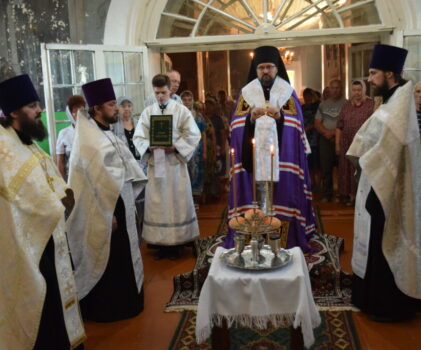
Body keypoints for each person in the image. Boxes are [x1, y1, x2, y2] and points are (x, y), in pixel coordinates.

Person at [0, 74, 85, 349]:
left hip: (50, 236)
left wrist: (65, 195)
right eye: (32, 105)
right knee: (43, 301)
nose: (40, 111)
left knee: (57, 298)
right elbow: (20, 198)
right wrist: (54, 205)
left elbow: (49, 180)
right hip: (27, 245)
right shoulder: (4, 147)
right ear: (13, 111)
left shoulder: (27, 141)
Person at [347, 44, 421, 322]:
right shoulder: (392, 101)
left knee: (384, 240)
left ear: (390, 73)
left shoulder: (399, 107)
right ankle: (370, 297)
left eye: (373, 73)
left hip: (386, 188)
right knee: (375, 240)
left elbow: (389, 148)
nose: (368, 79)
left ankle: (386, 304)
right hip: (377, 182)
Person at [66, 78, 148, 322]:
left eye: (116, 104)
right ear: (97, 108)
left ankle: (129, 300)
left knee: (124, 254)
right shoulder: (89, 140)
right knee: (109, 257)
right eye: (111, 104)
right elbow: (93, 184)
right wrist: (107, 213)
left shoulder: (107, 133)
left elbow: (123, 165)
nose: (117, 109)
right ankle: (111, 307)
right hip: (105, 210)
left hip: (121, 203)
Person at [226, 46, 315, 252]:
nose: (265, 72)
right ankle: (251, 239)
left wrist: (280, 118)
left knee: (282, 198)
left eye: (269, 67)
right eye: (261, 68)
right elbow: (236, 126)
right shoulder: (246, 93)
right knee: (254, 200)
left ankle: (282, 239)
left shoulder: (288, 92)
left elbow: (296, 125)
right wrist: (250, 118)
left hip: (282, 161)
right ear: (256, 70)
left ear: (277, 68)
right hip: (253, 162)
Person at [134, 74, 201, 260]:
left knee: (177, 202)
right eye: (157, 93)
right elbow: (138, 137)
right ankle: (159, 243)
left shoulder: (181, 110)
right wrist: (149, 145)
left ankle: (180, 241)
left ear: (169, 90)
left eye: (163, 92)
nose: (160, 97)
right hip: (157, 165)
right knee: (158, 203)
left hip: (175, 166)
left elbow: (193, 135)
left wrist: (176, 147)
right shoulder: (148, 112)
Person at [335, 81, 374, 206]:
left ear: (364, 90)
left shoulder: (371, 105)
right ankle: (349, 195)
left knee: (360, 169)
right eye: (354, 90)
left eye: (359, 90)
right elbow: (339, 126)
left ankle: (361, 197)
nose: (357, 93)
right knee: (346, 170)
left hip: (364, 146)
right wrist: (337, 144)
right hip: (347, 144)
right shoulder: (346, 106)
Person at [315, 79, 347, 202]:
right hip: (325, 140)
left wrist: (335, 133)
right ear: (329, 89)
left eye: (337, 88)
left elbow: (348, 123)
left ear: (341, 89)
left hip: (342, 139)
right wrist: (326, 132)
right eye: (332, 88)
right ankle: (327, 194)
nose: (335, 90)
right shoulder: (323, 104)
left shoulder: (347, 104)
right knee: (326, 167)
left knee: (342, 168)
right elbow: (317, 122)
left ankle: (343, 194)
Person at [181, 90, 207, 204]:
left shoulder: (199, 116)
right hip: (183, 150)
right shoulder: (179, 115)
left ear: (193, 101)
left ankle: (195, 199)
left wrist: (205, 151)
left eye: (189, 100)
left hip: (197, 149)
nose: (187, 102)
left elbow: (203, 134)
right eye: (184, 100)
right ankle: (186, 200)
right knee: (184, 173)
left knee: (196, 172)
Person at [56, 95, 86, 180]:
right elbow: (60, 162)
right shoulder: (63, 133)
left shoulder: (91, 130)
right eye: (75, 111)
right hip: (72, 178)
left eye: (81, 110)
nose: (79, 114)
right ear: (69, 114)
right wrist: (63, 186)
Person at [301, 87, 320, 190]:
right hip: (305, 138)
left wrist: (310, 127)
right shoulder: (302, 107)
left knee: (317, 163)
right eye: (305, 96)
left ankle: (318, 183)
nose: (307, 98)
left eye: (309, 95)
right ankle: (311, 182)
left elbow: (318, 119)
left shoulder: (316, 106)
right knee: (308, 163)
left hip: (315, 137)